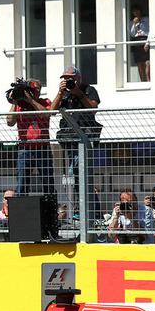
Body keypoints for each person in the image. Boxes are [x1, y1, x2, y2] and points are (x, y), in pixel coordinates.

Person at [50, 66, 101, 223]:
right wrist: (60, 93)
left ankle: (87, 210)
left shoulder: (88, 89)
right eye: (65, 78)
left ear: (79, 78)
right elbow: (51, 110)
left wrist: (78, 93)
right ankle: (86, 209)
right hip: (69, 138)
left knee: (81, 174)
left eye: (71, 78)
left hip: (85, 137)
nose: (68, 81)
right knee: (77, 175)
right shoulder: (64, 93)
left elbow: (93, 108)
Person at [7, 79, 54, 196]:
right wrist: (15, 102)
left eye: (36, 89)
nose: (33, 92)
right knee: (22, 184)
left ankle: (49, 210)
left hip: (43, 148)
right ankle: (22, 211)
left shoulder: (44, 102)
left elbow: (48, 113)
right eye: (30, 90)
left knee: (48, 183)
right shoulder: (19, 105)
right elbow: (10, 122)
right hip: (25, 148)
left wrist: (31, 101)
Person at [129, 5, 150, 82]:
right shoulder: (132, 22)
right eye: (134, 11)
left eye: (137, 11)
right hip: (137, 40)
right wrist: (134, 24)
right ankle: (142, 80)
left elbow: (149, 30)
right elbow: (132, 34)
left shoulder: (146, 19)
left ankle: (148, 79)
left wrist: (147, 42)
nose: (136, 13)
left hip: (144, 39)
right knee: (140, 63)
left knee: (148, 62)